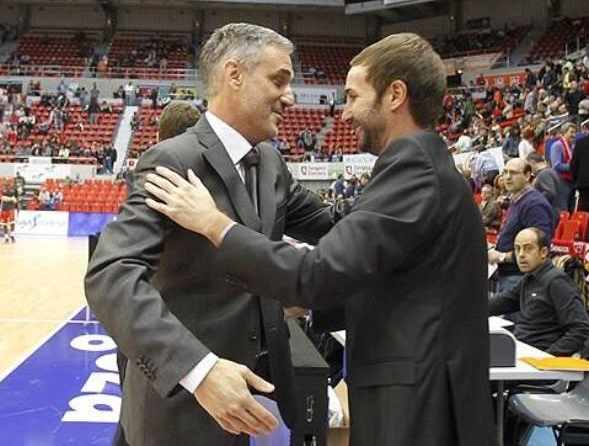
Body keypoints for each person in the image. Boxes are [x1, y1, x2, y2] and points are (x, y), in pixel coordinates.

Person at [144, 33, 494, 446]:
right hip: (424, 392)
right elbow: (393, 278)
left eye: (353, 96)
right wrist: (301, 304)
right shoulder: (427, 165)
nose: (344, 114)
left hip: (420, 403)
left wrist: (214, 224)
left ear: (395, 94)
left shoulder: (412, 167)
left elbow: (319, 272)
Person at [84, 23, 337, 446]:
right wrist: (200, 370)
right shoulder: (172, 158)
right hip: (184, 407)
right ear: (234, 75)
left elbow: (334, 224)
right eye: (279, 80)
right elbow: (110, 275)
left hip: (252, 402)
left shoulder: (272, 164)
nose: (289, 97)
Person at [489, 228, 589, 356]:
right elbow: (501, 302)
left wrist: (548, 357)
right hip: (522, 353)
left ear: (543, 252)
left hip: (538, 362)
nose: (521, 254)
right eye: (517, 248)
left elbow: (582, 329)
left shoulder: (556, 281)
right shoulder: (529, 279)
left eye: (528, 248)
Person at [489, 158, 555, 294]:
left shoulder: (534, 205)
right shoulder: (517, 201)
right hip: (509, 276)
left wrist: (500, 256)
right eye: (505, 172)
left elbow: (539, 248)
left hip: (520, 279)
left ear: (527, 176)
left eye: (513, 173)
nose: (507, 177)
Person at [526, 152, 568, 220]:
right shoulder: (550, 171)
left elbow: (550, 192)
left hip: (552, 213)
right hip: (558, 212)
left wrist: (535, 201)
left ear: (532, 162)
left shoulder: (544, 174)